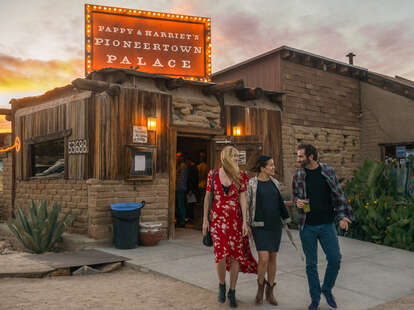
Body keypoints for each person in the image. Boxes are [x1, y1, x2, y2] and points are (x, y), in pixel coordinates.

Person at [293, 144, 353, 310]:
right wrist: (298, 203)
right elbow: (297, 198)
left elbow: (338, 195)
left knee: (335, 259)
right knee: (311, 265)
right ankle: (315, 299)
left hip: (327, 225)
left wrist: (342, 217)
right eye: (297, 156)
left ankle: (326, 289)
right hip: (307, 227)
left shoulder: (327, 171)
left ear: (310, 157)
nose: (298, 159)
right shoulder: (298, 175)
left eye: (300, 156)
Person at [202, 146, 257, 308]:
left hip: (235, 221)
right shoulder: (212, 175)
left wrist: (244, 222)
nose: (237, 159)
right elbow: (207, 197)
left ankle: (232, 291)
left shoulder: (241, 176)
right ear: (226, 157)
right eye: (234, 156)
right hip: (217, 221)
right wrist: (205, 220)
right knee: (220, 255)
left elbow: (243, 200)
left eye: (237, 156)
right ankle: (221, 285)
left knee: (235, 257)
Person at [247, 155, 291, 306]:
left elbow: (277, 202)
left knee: (273, 257)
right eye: (271, 165)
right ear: (262, 168)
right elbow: (247, 205)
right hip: (259, 226)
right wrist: (246, 224)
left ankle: (270, 291)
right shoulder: (251, 184)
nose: (273, 167)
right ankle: (260, 288)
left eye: (273, 165)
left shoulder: (275, 183)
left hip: (274, 226)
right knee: (263, 258)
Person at [175, 157, 188, 228]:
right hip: (179, 188)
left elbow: (181, 179)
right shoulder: (181, 166)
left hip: (180, 188)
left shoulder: (183, 166)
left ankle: (182, 222)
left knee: (180, 206)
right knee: (178, 206)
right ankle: (179, 220)